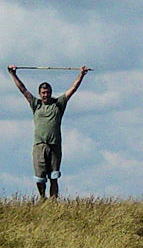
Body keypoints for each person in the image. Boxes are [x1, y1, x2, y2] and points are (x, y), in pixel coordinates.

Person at [8, 65, 90, 200]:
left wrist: (81, 74)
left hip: (54, 146)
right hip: (39, 146)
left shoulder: (59, 103)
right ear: (40, 94)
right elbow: (23, 89)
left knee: (54, 176)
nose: (45, 95)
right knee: (40, 178)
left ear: (51, 92)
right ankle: (42, 198)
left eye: (47, 92)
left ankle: (53, 201)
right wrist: (13, 74)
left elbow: (73, 89)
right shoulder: (36, 104)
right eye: (43, 93)